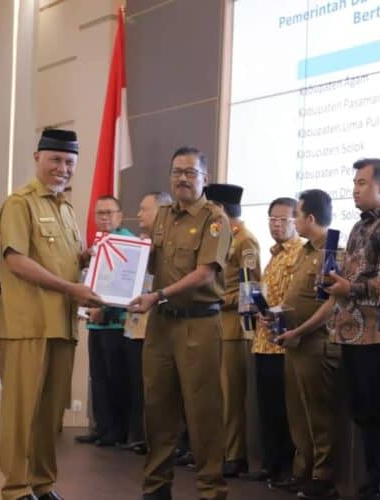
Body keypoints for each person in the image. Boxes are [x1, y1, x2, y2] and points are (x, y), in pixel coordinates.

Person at [0, 128, 102, 500]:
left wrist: (90, 260)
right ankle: (16, 488)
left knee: (49, 416)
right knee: (22, 412)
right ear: (38, 157)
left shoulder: (67, 210)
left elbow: (71, 262)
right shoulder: (19, 204)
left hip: (62, 326)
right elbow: (16, 261)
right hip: (27, 326)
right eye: (55, 159)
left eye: (70, 162)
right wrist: (72, 289)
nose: (63, 168)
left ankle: (43, 485)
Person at [129, 146, 231, 500]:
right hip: (161, 325)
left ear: (205, 178)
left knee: (203, 412)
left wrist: (157, 296)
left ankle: (211, 489)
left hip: (198, 324)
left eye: (190, 172)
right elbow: (155, 263)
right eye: (177, 172)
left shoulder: (214, 219)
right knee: (157, 408)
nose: (183, 178)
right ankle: (156, 487)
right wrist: (118, 260)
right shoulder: (164, 217)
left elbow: (204, 275)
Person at [326, 159, 380, 500]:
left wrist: (350, 289)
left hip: (379, 336)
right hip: (352, 332)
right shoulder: (358, 227)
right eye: (354, 182)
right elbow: (353, 275)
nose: (354, 189)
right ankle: (371, 481)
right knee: (362, 413)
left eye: (362, 182)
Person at [265, 189, 341, 500]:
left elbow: (332, 305)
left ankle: (323, 477)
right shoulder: (306, 251)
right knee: (298, 414)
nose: (294, 220)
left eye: (296, 214)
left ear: (310, 218)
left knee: (319, 416)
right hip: (293, 342)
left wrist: (301, 330)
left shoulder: (333, 251)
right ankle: (303, 470)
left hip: (315, 345)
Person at [204, 183, 261, 478]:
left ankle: (235, 455)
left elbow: (250, 290)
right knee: (216, 396)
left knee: (231, 397)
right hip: (214, 326)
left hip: (234, 328)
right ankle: (222, 450)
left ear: (222, 209)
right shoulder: (223, 238)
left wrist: (215, 299)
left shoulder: (245, 241)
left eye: (211, 208)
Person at [244, 197, 300, 485]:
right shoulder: (274, 255)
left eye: (283, 220)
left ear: (297, 220)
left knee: (285, 411)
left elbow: (296, 299)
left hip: (285, 343)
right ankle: (270, 463)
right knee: (266, 408)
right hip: (263, 342)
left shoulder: (300, 253)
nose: (276, 225)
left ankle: (288, 468)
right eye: (272, 219)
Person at [75, 195, 134, 447]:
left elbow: (125, 285)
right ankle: (101, 427)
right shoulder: (98, 242)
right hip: (95, 321)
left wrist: (104, 307)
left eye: (110, 213)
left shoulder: (127, 242)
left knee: (116, 378)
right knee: (97, 377)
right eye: (100, 213)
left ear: (120, 215)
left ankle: (117, 431)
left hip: (116, 322)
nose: (105, 217)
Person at [120, 191, 173, 456]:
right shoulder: (140, 243)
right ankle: (139, 435)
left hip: (159, 326)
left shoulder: (169, 244)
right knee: (137, 386)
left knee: (159, 390)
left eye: (145, 209)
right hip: (134, 325)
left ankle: (160, 442)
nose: (139, 214)